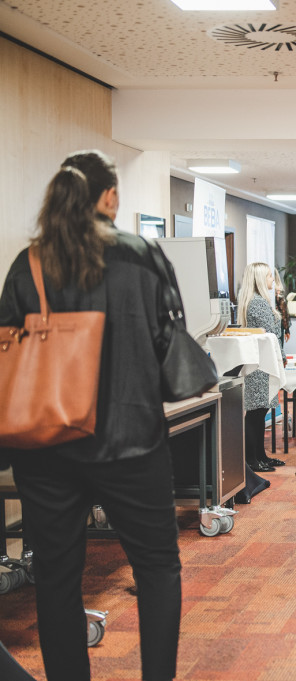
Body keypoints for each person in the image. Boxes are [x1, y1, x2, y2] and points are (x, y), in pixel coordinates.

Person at [0, 151, 182, 681]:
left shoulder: (29, 263)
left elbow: (8, 346)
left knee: (56, 578)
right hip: (130, 440)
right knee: (155, 568)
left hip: (46, 443)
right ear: (107, 197)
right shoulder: (140, 255)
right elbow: (168, 338)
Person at [238, 262, 285, 471]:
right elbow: (271, 333)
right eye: (268, 277)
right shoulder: (258, 303)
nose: (272, 281)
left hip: (261, 362)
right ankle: (252, 460)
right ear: (259, 279)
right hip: (261, 364)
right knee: (256, 413)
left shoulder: (256, 301)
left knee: (260, 412)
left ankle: (260, 456)